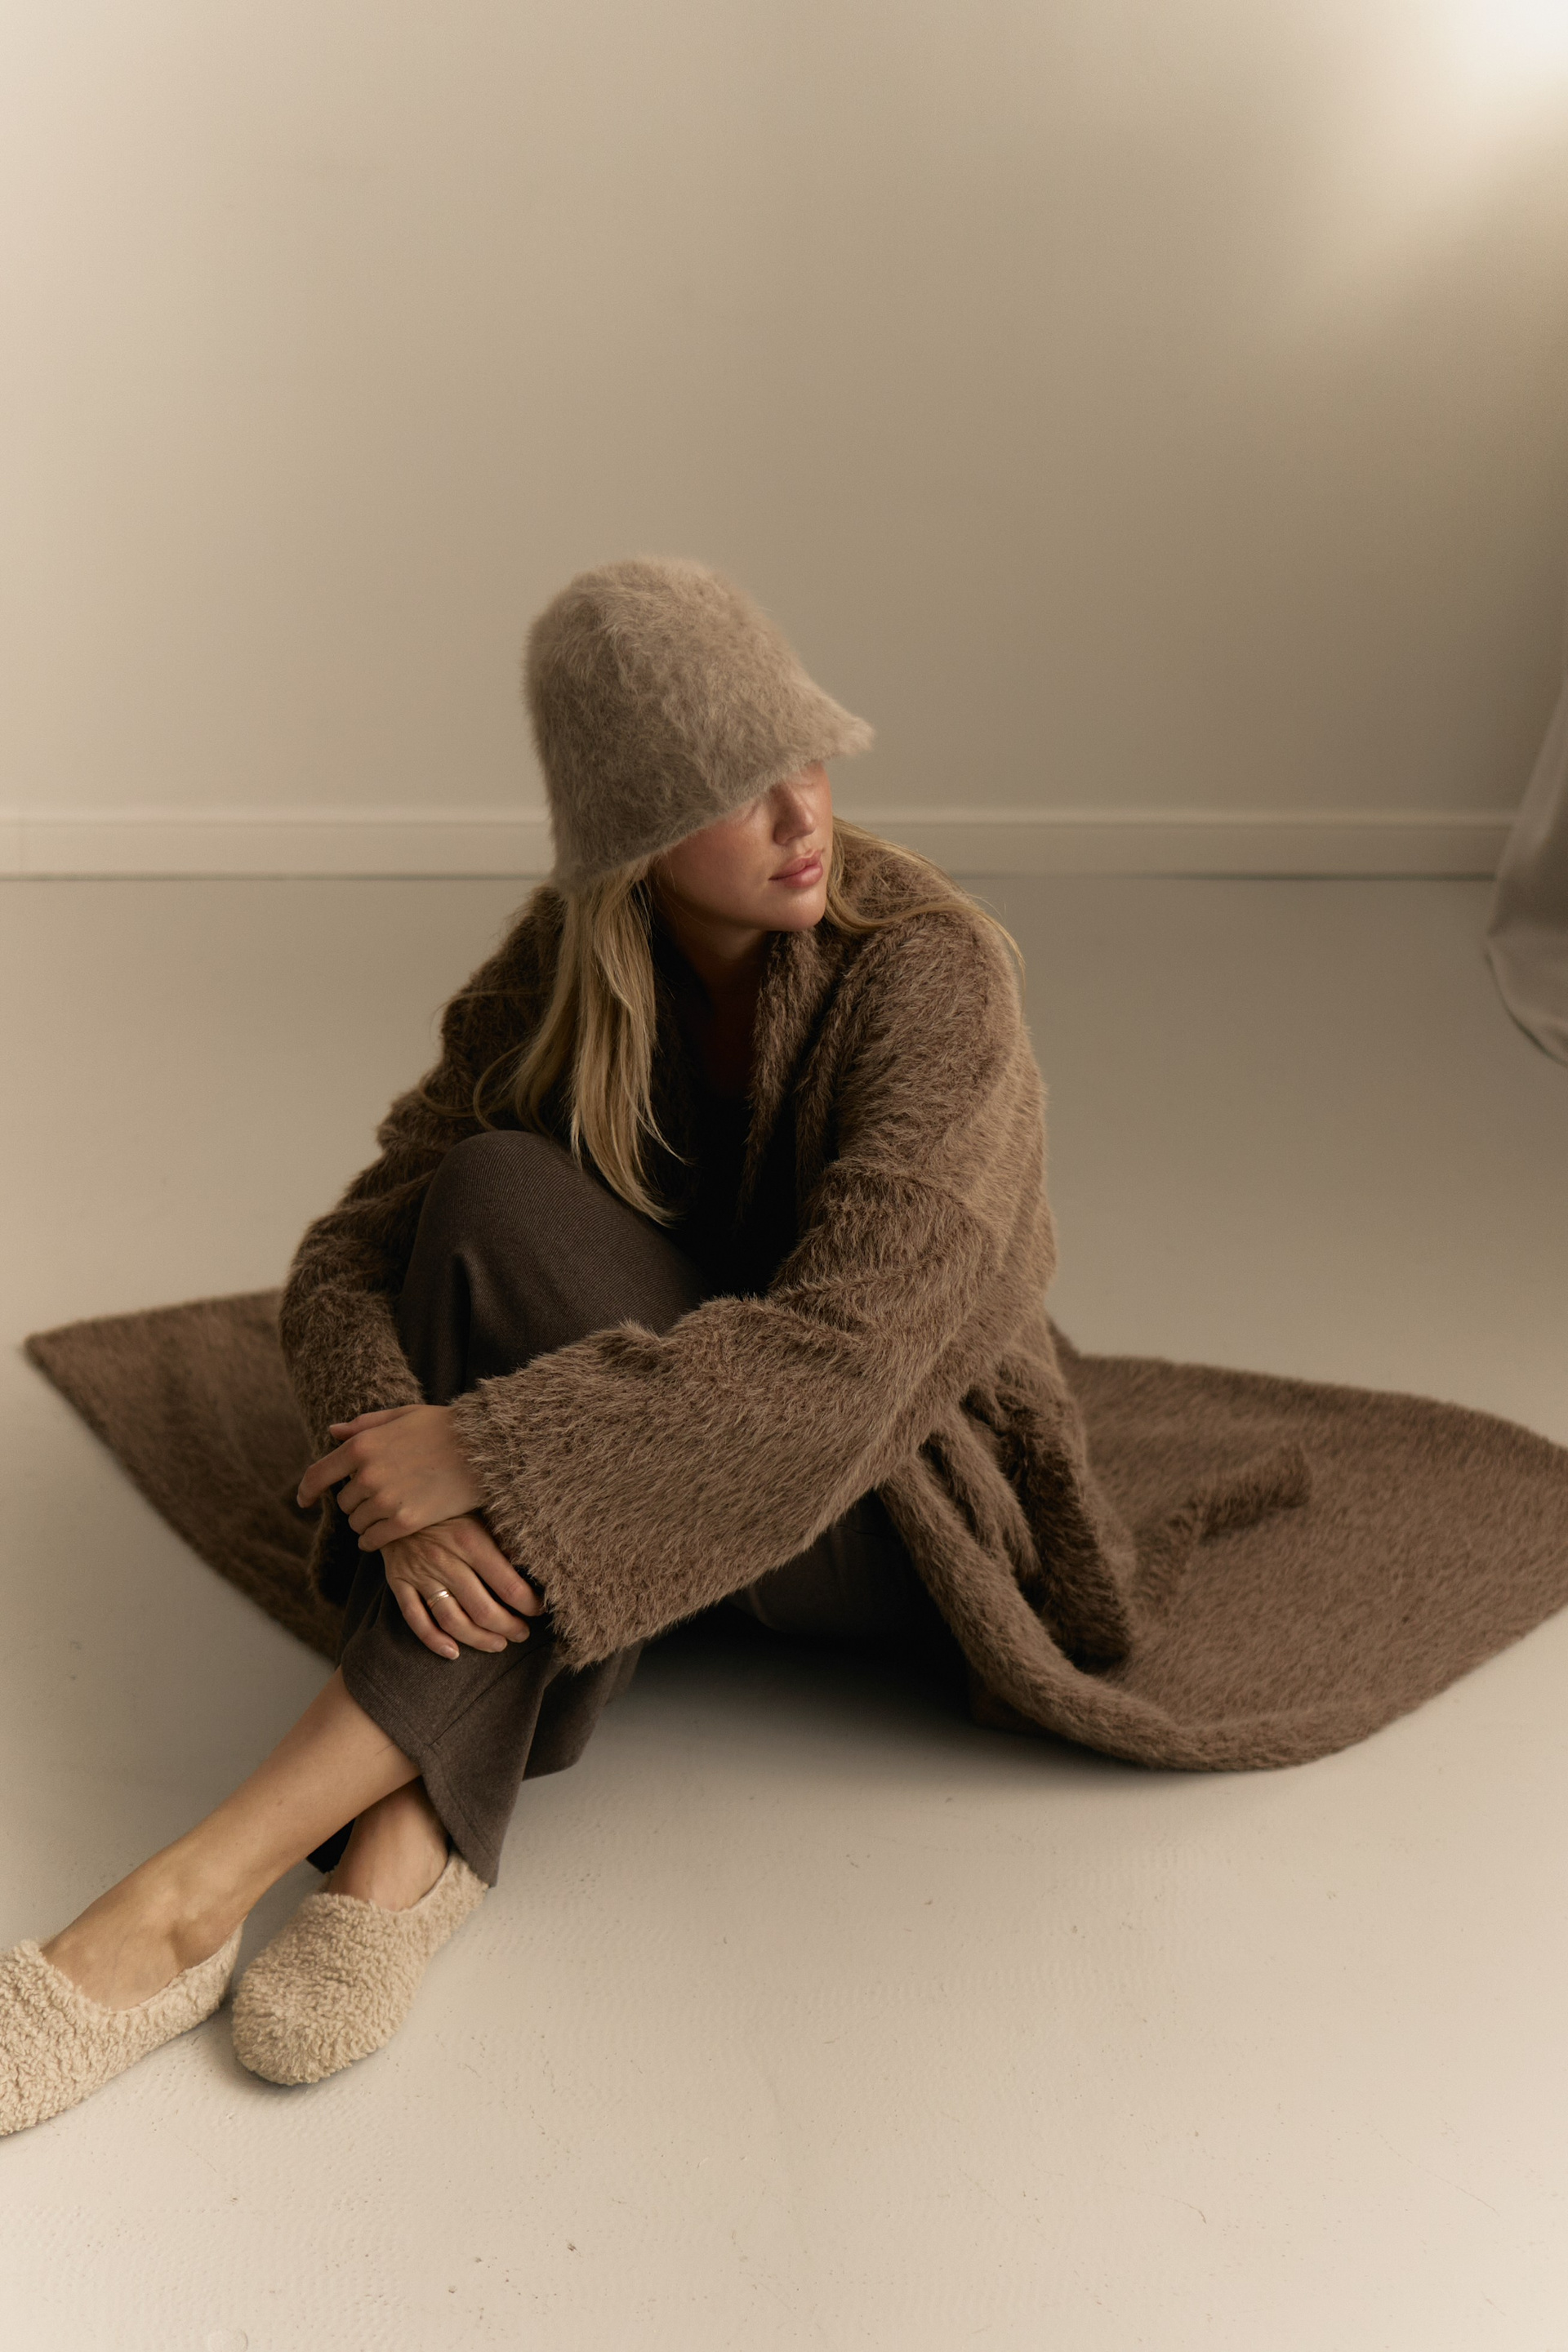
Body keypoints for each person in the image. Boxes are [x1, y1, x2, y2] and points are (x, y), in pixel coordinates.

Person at [2, 555, 1126, 2136]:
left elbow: (844, 1376)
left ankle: (189, 1896)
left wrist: (479, 1449)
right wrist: (405, 1473)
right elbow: (346, 1258)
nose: (803, 815)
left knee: (588, 1371)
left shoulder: (930, 975)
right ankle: (406, 1842)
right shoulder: (567, 965)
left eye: (807, 757)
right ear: (634, 835)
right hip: (670, 1457)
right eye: (736, 789)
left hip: (895, 1510)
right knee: (487, 1195)